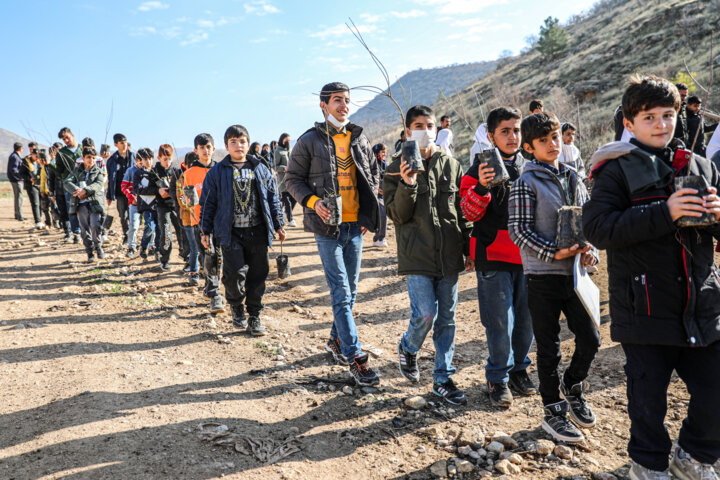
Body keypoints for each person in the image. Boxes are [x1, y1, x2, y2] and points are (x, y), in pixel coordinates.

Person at [583, 74, 720, 480]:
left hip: (703, 303)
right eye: (649, 117)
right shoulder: (616, 170)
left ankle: (695, 455)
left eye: (668, 115)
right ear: (629, 123)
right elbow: (600, 228)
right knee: (648, 402)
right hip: (644, 307)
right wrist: (667, 211)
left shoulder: (701, 166)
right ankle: (649, 465)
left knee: (715, 392)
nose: (661, 124)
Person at [508, 112, 600, 444]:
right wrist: (552, 252)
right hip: (542, 276)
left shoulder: (575, 179)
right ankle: (553, 412)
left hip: (576, 277)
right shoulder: (524, 183)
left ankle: (573, 386)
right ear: (529, 148)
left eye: (555, 137)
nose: (552, 144)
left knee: (591, 338)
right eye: (543, 140)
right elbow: (518, 232)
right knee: (548, 348)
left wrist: (591, 252)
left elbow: (590, 224)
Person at [285, 81, 381, 386]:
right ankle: (355, 357)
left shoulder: (359, 137)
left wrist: (369, 212)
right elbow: (292, 179)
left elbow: (372, 175)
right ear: (323, 105)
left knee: (350, 292)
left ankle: (336, 342)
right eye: (337, 100)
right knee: (341, 291)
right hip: (326, 228)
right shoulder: (309, 140)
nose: (344, 105)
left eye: (347, 100)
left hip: (356, 227)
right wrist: (314, 204)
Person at [385, 105, 472, 405]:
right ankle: (409, 347)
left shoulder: (452, 165)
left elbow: (462, 211)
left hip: (449, 255)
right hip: (416, 255)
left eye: (430, 125)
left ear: (438, 129)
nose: (425, 130)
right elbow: (397, 215)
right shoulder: (394, 168)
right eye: (418, 125)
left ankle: (442, 379)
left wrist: (468, 246)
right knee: (425, 313)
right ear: (408, 131)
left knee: (447, 318)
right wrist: (407, 183)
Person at [459, 106, 536, 408]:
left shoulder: (531, 166)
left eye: (516, 130)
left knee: (527, 321)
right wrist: (482, 186)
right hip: (491, 256)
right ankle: (497, 378)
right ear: (490, 136)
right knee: (499, 322)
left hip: (529, 256)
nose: (512, 136)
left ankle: (519, 371)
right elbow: (469, 212)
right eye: (505, 131)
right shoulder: (476, 169)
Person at [200, 124, 285, 336]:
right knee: (233, 274)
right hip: (230, 232)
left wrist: (278, 224)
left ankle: (254, 316)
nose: (239, 145)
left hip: (257, 230)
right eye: (233, 142)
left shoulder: (260, 168)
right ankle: (236, 307)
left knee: (258, 274)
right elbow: (208, 204)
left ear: (248, 143)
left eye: (242, 141)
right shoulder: (217, 172)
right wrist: (205, 231)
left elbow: (272, 198)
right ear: (226, 145)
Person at [177, 134, 223, 313]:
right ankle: (214, 292)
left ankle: (213, 285)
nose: (205, 150)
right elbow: (183, 200)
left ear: (213, 148)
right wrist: (187, 201)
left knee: (219, 255)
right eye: (201, 147)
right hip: (200, 222)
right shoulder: (188, 174)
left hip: (220, 221)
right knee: (208, 254)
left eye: (208, 147)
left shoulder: (221, 170)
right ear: (196, 150)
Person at [64, 146, 106, 262]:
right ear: (83, 158)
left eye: (93, 158)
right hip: (80, 204)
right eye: (88, 157)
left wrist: (85, 191)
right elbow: (67, 182)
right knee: (84, 229)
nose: (90, 160)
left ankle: (98, 247)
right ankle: (89, 252)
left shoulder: (98, 172)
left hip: (94, 203)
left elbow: (98, 184)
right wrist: (76, 189)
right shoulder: (77, 171)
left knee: (95, 225)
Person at [151, 144, 183, 271]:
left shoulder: (176, 171)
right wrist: (158, 190)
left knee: (181, 231)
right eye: (164, 159)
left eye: (169, 159)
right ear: (159, 157)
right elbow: (147, 188)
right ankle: (164, 259)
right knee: (166, 233)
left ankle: (184, 255)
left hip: (176, 206)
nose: (167, 162)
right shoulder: (154, 172)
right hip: (162, 207)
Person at [55, 127, 83, 243]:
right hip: (70, 184)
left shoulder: (83, 148)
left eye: (67, 137)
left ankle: (88, 231)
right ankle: (76, 233)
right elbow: (59, 170)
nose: (66, 140)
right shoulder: (61, 153)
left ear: (72, 135)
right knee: (72, 208)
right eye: (63, 139)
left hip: (84, 182)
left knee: (87, 207)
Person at [106, 133, 135, 244]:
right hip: (120, 192)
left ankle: (133, 236)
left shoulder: (133, 157)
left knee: (133, 215)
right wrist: (109, 195)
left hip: (132, 191)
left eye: (125, 142)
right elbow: (110, 179)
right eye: (121, 143)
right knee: (123, 215)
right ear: (116, 144)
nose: (124, 145)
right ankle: (126, 235)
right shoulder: (112, 160)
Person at [132, 148, 159, 261]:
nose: (148, 161)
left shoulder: (156, 172)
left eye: (150, 158)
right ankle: (144, 246)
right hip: (145, 205)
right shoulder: (138, 173)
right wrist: (154, 190)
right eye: (145, 159)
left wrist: (152, 190)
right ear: (141, 160)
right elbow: (137, 189)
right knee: (149, 226)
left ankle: (158, 250)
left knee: (160, 229)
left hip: (157, 205)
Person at [121, 154, 142, 257]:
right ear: (136, 160)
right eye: (140, 161)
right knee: (133, 225)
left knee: (150, 225)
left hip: (149, 203)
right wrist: (131, 197)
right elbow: (124, 186)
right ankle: (131, 247)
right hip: (134, 203)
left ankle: (150, 246)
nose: (143, 163)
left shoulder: (151, 171)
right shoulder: (130, 171)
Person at [274, 133, 296, 227]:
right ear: (282, 140)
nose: (288, 142)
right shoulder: (277, 151)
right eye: (286, 140)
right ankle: (290, 219)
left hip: (292, 178)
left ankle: (285, 213)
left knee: (294, 198)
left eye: (289, 141)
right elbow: (275, 167)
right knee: (287, 199)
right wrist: (283, 168)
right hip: (282, 179)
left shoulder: (290, 150)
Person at [20, 142, 43, 229]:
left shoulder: (41, 160)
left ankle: (41, 219)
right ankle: (38, 221)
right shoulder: (25, 161)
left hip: (41, 185)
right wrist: (29, 179)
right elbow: (21, 173)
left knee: (41, 203)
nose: (36, 156)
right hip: (31, 185)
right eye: (30, 150)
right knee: (35, 203)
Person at [371, 143, 388, 247]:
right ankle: (379, 238)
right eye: (382, 152)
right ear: (377, 153)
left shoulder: (384, 164)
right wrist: (376, 188)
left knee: (383, 214)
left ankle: (379, 237)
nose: (384, 154)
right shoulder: (372, 164)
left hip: (383, 193)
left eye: (385, 152)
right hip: (374, 193)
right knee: (382, 214)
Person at [7, 142, 24, 221]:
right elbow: (13, 170)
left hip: (15, 179)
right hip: (17, 180)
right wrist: (21, 176)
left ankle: (18, 214)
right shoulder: (15, 157)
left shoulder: (14, 156)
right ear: (20, 148)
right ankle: (20, 215)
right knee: (19, 197)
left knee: (18, 197)